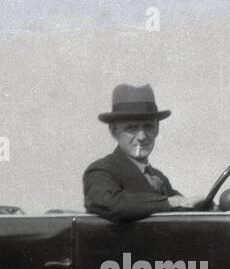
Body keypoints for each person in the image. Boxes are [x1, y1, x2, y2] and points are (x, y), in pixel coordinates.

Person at [83, 84, 196, 222]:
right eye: (132, 128)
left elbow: (183, 206)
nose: (142, 137)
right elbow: (110, 203)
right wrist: (169, 203)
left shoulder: (158, 177)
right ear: (113, 131)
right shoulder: (101, 170)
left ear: (157, 129)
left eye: (149, 126)